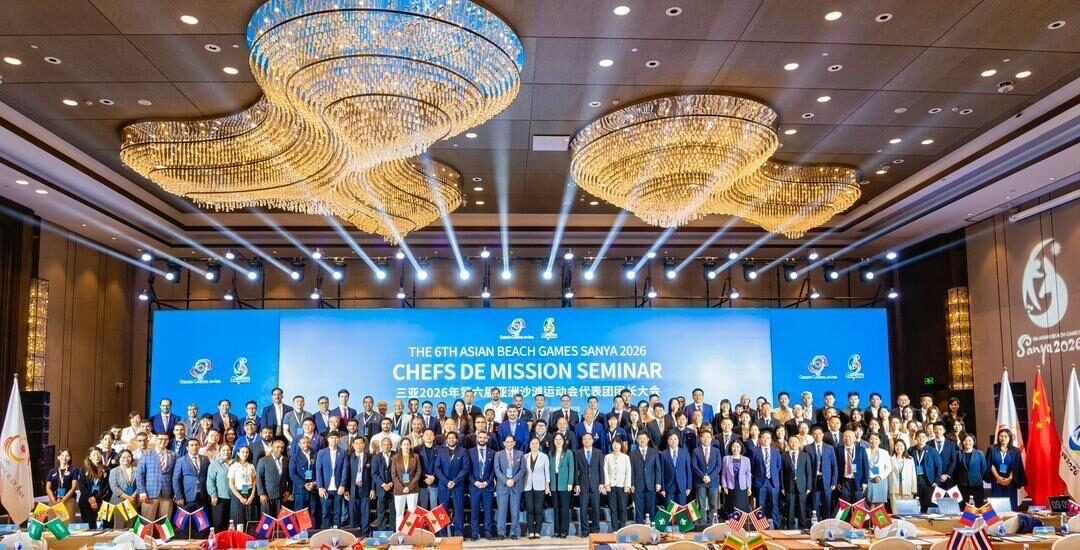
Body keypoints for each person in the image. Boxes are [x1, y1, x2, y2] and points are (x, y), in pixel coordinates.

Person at [173, 438, 209, 537]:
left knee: (202, 521)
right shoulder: (181, 460)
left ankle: (200, 540)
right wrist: (179, 496)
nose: (194, 447)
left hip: (202, 494)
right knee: (184, 521)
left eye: (196, 445)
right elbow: (176, 479)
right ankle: (184, 539)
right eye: (192, 445)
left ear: (199, 446)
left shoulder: (205, 459)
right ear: (187, 448)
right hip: (187, 495)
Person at [435, 431, 468, 535]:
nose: (451, 440)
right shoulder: (441, 451)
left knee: (459, 510)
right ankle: (443, 534)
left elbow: (465, 468)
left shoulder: (463, 451)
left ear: (457, 440)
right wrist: (446, 481)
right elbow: (437, 468)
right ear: (446, 440)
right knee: (442, 511)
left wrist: (454, 481)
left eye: (453, 438)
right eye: (449, 438)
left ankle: (459, 533)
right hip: (443, 485)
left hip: (458, 485)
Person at [136, 434, 176, 520]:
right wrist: (142, 492)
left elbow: (175, 476)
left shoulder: (173, 455)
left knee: (165, 523)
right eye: (160, 439)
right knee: (147, 522)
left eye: (166, 439)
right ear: (155, 440)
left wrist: (176, 492)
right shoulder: (146, 454)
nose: (163, 441)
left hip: (167, 494)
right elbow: (140, 475)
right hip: (149, 494)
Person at [987, 428, 1026, 511]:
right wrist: (998, 478)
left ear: (1010, 438)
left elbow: (1016, 466)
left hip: (1010, 483)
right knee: (997, 506)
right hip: (996, 482)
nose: (1003, 438)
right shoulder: (992, 449)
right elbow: (990, 464)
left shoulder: (1015, 450)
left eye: (1005, 436)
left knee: (1011, 506)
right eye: (1001, 436)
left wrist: (1010, 478)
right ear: (998, 437)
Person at [495, 435, 525, 539]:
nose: (509, 444)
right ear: (504, 443)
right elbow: (497, 470)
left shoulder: (520, 454)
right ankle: (501, 532)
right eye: (507, 442)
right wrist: (506, 480)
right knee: (501, 511)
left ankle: (514, 532)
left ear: (514, 443)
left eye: (511, 442)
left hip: (515, 486)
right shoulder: (498, 454)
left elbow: (522, 469)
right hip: (502, 486)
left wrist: (513, 480)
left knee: (515, 511)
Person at [468, 430, 496, 541]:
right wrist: (475, 482)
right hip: (474, 486)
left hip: (487, 487)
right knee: (474, 511)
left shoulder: (492, 452)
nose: (482, 439)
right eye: (480, 437)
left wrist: (487, 482)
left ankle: (488, 533)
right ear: (477, 438)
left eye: (485, 437)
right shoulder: (470, 452)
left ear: (487, 439)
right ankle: (474, 534)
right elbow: (467, 469)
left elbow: (493, 470)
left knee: (488, 511)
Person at [574, 432, 603, 536]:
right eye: (584, 439)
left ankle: (595, 530)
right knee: (583, 509)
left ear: (592, 440)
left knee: (596, 509)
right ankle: (585, 531)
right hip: (583, 484)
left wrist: (602, 483)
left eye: (589, 439)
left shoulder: (598, 452)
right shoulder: (578, 453)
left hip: (595, 484)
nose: (587, 441)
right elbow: (575, 470)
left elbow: (601, 469)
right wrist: (576, 484)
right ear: (582, 441)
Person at [752, 430, 782, 528]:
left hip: (773, 482)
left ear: (771, 440)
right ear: (760, 439)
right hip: (760, 482)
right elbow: (752, 467)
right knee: (760, 505)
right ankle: (760, 527)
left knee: (775, 504)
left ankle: (777, 526)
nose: (765, 440)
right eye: (763, 438)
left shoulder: (776, 451)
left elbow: (778, 467)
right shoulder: (755, 451)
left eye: (768, 438)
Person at [806, 426, 837, 520]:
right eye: (815, 434)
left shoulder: (830, 448)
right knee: (815, 505)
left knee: (827, 504)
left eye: (819, 434)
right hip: (814, 480)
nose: (817, 436)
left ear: (823, 435)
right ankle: (816, 523)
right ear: (812, 435)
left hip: (827, 480)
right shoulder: (807, 448)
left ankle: (827, 522)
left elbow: (834, 466)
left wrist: (834, 481)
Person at [630, 430, 661, 524]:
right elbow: (631, 470)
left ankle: (653, 527)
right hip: (638, 484)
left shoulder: (654, 452)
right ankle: (639, 526)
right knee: (639, 508)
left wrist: (658, 482)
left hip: (651, 484)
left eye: (644, 438)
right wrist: (632, 484)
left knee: (651, 507)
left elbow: (657, 468)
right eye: (640, 439)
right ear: (637, 440)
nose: (642, 440)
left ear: (648, 439)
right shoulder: (632, 453)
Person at [391, 437, 422, 531]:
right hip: (399, 489)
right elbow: (394, 474)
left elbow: (418, 472)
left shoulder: (415, 457)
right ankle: (399, 533)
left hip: (413, 489)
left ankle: (411, 533)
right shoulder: (395, 458)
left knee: (412, 513)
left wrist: (410, 486)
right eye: (404, 444)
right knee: (399, 513)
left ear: (410, 445)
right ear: (401, 446)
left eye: (408, 444)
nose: (406, 446)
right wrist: (402, 487)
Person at [523, 437, 551, 539]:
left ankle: (538, 531)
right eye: (532, 443)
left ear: (539, 445)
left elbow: (547, 472)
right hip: (527, 486)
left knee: (538, 509)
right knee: (530, 509)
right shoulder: (525, 456)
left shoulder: (544, 457)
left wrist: (547, 486)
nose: (534, 445)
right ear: (529, 445)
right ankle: (531, 531)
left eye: (536, 443)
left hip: (540, 485)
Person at [782, 435, 812, 529]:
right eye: (791, 442)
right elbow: (781, 473)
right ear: (788, 443)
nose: (793, 444)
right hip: (788, 485)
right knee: (790, 507)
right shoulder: (784, 455)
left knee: (802, 507)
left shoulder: (805, 455)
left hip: (802, 485)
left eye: (795, 442)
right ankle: (790, 527)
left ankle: (803, 527)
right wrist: (782, 487)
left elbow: (809, 472)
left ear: (799, 444)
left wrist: (809, 486)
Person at [692, 428, 721, 525]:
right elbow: (694, 466)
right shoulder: (696, 451)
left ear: (711, 439)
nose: (706, 439)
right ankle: (703, 524)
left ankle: (713, 523)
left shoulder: (716, 451)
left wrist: (710, 477)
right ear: (700, 438)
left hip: (713, 482)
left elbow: (719, 466)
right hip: (700, 482)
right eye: (704, 437)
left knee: (713, 505)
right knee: (702, 505)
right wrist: (703, 476)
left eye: (708, 437)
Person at [549, 432, 575, 538]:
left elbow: (571, 468)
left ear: (564, 441)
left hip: (564, 483)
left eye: (560, 439)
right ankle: (557, 531)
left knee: (564, 508)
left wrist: (570, 483)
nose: (558, 441)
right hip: (554, 483)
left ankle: (564, 531)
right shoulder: (551, 453)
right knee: (556, 508)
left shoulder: (568, 453)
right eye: (556, 439)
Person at [908, 431, 942, 513]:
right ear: (916, 438)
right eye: (919, 437)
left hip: (929, 483)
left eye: (923, 437)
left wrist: (937, 480)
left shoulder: (932, 450)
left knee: (929, 505)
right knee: (917, 506)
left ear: (926, 439)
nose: (921, 439)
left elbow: (939, 466)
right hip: (915, 483)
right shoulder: (911, 450)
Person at [603, 436, 631, 531]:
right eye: (614, 444)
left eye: (618, 444)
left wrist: (627, 485)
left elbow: (628, 472)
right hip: (611, 486)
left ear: (621, 445)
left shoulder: (626, 457)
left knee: (622, 508)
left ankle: (622, 528)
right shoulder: (607, 457)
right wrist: (607, 484)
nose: (616, 446)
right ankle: (615, 529)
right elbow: (605, 471)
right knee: (613, 509)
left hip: (622, 486)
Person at [346, 436, 372, 535]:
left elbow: (373, 474)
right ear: (353, 445)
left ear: (364, 444)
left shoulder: (370, 456)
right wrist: (346, 489)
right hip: (353, 489)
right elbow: (346, 474)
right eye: (356, 443)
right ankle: (354, 535)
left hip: (366, 488)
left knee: (365, 514)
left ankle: (365, 535)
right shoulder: (349, 457)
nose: (358, 445)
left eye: (361, 443)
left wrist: (373, 489)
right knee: (353, 514)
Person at [256, 438, 289, 518]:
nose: (280, 449)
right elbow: (259, 478)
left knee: (281, 520)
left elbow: (289, 478)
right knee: (267, 520)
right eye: (277, 447)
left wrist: (288, 491)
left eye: (282, 447)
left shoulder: (286, 460)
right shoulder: (263, 460)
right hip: (267, 496)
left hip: (282, 496)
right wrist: (262, 494)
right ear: (273, 448)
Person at [228, 446, 258, 530]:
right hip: (238, 493)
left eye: (247, 452)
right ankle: (239, 536)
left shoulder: (251, 466)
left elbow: (254, 481)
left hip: (249, 492)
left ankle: (249, 535)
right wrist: (240, 498)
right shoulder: (234, 466)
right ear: (238, 453)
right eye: (243, 452)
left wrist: (252, 496)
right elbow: (231, 484)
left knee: (250, 516)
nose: (245, 454)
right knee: (239, 517)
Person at [289, 436, 318, 521]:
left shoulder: (316, 454)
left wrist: (315, 483)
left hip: (313, 487)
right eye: (303, 443)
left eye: (308, 442)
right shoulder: (294, 456)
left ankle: (312, 529)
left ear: (311, 443)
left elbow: (319, 470)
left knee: (313, 512)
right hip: (300, 489)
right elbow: (292, 474)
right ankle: (301, 529)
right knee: (300, 513)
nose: (306, 445)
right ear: (299, 444)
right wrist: (304, 484)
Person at [79, 447, 110, 526]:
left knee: (104, 527)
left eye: (98, 454)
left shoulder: (107, 470)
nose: (97, 456)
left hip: (102, 500)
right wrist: (91, 499)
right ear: (89, 457)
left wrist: (96, 498)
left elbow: (106, 487)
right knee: (88, 526)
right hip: (86, 501)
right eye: (94, 454)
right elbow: (82, 486)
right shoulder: (83, 469)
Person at [837, 430, 869, 504]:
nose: (847, 438)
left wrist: (865, 481)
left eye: (849, 437)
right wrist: (838, 481)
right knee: (845, 503)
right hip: (844, 481)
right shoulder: (839, 450)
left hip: (858, 481)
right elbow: (837, 467)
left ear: (854, 438)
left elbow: (866, 467)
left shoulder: (861, 450)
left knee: (858, 502)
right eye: (845, 437)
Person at [109, 449, 139, 528]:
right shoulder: (114, 471)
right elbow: (114, 487)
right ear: (119, 458)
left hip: (133, 500)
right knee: (119, 526)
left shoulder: (137, 470)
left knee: (130, 525)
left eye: (129, 456)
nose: (126, 459)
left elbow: (140, 484)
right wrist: (128, 497)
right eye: (123, 457)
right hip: (119, 501)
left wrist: (134, 495)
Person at [207, 444, 234, 531]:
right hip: (220, 497)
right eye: (223, 450)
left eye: (228, 450)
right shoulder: (214, 465)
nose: (226, 452)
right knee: (219, 522)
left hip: (235, 497)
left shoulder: (235, 463)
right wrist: (213, 495)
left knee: (231, 522)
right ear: (219, 451)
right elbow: (210, 481)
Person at [371, 437, 395, 532]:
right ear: (381, 446)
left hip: (393, 488)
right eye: (384, 445)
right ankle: (382, 532)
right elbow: (374, 473)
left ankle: (393, 531)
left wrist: (392, 482)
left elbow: (399, 472)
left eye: (388, 444)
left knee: (394, 511)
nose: (386, 446)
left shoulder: (396, 456)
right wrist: (383, 484)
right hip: (381, 489)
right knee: (381, 512)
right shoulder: (376, 457)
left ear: (391, 446)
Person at [661, 431, 692, 505]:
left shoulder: (684, 452)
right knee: (669, 509)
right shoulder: (663, 454)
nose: (673, 441)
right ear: (668, 441)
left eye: (675, 439)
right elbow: (661, 471)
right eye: (671, 439)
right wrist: (662, 488)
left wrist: (689, 486)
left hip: (682, 486)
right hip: (668, 487)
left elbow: (688, 470)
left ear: (678, 440)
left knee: (681, 510)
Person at [722, 439, 752, 514]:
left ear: (741, 448)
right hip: (730, 486)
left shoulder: (746, 459)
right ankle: (733, 520)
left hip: (742, 486)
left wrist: (749, 487)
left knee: (742, 506)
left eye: (738, 447)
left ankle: (742, 520)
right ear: (730, 448)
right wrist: (724, 486)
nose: (735, 449)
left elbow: (748, 475)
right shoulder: (726, 459)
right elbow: (724, 474)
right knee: (732, 506)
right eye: (733, 447)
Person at [888, 439, 916, 510]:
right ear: (894, 447)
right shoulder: (890, 459)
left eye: (901, 446)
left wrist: (914, 488)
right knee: (895, 511)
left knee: (906, 511)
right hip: (894, 488)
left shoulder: (910, 459)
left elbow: (913, 475)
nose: (899, 448)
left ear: (904, 447)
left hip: (907, 488)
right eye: (897, 446)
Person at [864, 433, 891, 507]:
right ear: (869, 440)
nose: (874, 441)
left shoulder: (884, 452)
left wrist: (880, 477)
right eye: (871, 439)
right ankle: (871, 515)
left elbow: (889, 467)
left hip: (881, 480)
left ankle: (879, 515)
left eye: (876, 439)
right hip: (869, 480)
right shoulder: (865, 451)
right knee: (871, 503)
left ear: (879, 441)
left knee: (880, 504)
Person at [931, 422, 958, 489]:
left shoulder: (951, 444)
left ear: (944, 430)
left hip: (947, 478)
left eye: (940, 429)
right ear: (933, 430)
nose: (938, 431)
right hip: (933, 478)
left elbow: (953, 461)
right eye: (936, 429)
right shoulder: (928, 444)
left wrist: (947, 474)